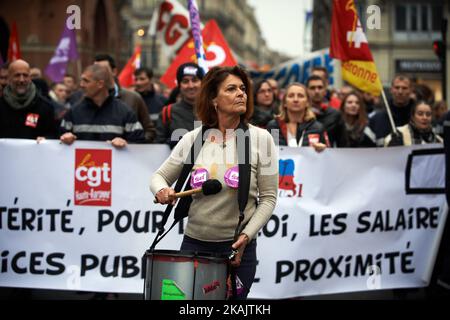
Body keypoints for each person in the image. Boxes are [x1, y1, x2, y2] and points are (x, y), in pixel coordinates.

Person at [150, 65, 278, 299]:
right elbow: (158, 177)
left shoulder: (262, 139)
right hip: (194, 246)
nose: (241, 93)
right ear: (213, 100)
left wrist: (246, 237)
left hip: (238, 249)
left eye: (242, 88)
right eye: (231, 89)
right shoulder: (193, 138)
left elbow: (269, 198)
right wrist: (162, 190)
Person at [60, 64, 145, 147]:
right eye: (81, 80)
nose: (81, 85)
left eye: (86, 81)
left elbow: (139, 144)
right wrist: (65, 139)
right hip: (82, 161)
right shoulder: (74, 111)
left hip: (115, 161)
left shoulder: (125, 112)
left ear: (100, 84)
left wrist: (125, 143)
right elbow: (58, 142)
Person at [94, 54, 155, 143]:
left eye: (103, 70)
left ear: (114, 71)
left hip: (127, 155)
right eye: (94, 70)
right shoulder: (87, 99)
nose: (98, 74)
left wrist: (130, 144)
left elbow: (149, 131)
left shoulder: (133, 98)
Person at [0, 59, 55, 140]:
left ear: (30, 77)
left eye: (25, 75)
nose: (21, 80)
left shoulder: (45, 107)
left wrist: (46, 139)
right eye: (17, 75)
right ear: (9, 78)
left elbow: (54, 134)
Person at [266, 82, 327, 152]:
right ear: (284, 103)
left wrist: (323, 150)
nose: (295, 99)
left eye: (300, 96)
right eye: (291, 96)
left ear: (307, 102)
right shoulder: (275, 126)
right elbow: (270, 154)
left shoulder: (317, 128)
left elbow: (328, 157)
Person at [154, 62, 204, 147]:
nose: (191, 85)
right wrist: (171, 143)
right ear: (179, 85)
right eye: (185, 81)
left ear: (202, 83)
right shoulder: (167, 112)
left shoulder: (216, 110)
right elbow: (159, 145)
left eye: (195, 80)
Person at [369, 74, 416, 144]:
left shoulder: (418, 118)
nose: (400, 92)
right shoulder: (377, 118)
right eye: (397, 88)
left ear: (411, 91)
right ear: (391, 90)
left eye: (404, 88)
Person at [306, 75, 348, 147]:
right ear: (306, 91)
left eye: (320, 87)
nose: (317, 91)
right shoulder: (300, 114)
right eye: (312, 88)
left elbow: (343, 144)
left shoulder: (335, 115)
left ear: (325, 91)